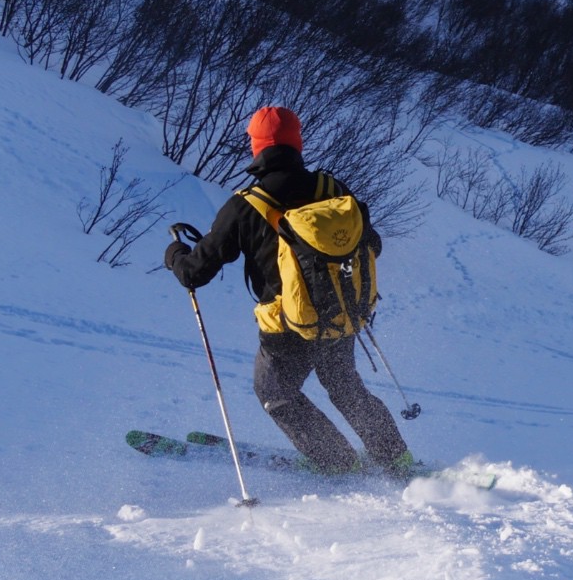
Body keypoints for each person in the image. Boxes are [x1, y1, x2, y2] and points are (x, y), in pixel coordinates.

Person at [164, 106, 414, 477]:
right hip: (339, 317)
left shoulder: (246, 205)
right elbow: (371, 245)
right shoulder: (333, 190)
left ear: (257, 147)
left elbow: (193, 274)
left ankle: (337, 461)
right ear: (297, 143)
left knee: (275, 393)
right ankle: (395, 458)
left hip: (285, 327)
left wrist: (175, 254)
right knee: (345, 387)